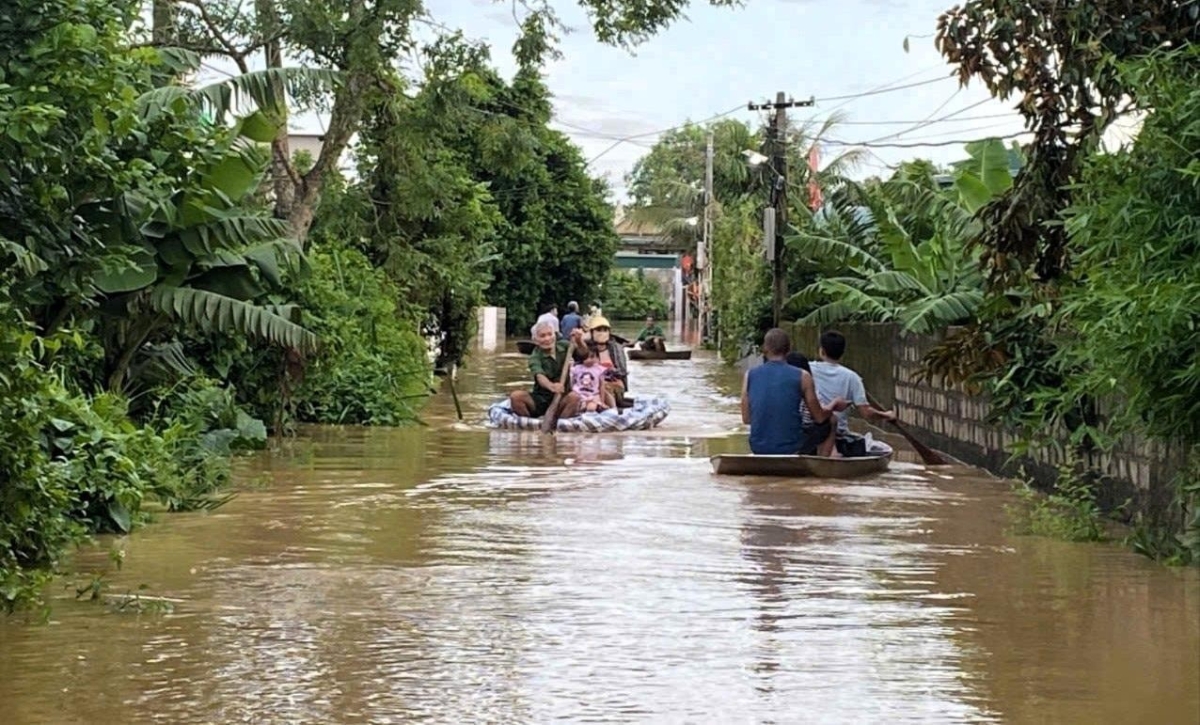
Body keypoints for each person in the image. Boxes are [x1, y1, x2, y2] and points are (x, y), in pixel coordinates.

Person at [741, 328, 845, 455]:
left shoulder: (749, 375)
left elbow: (746, 419)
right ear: (789, 349)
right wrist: (834, 405)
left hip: (758, 447)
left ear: (765, 348)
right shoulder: (803, 376)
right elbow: (819, 417)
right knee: (832, 420)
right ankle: (822, 465)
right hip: (791, 448)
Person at [808, 329, 897, 457]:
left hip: (810, 432)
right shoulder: (852, 377)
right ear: (842, 353)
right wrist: (886, 415)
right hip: (839, 435)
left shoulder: (807, 369)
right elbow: (866, 413)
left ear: (821, 351)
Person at [509, 322, 584, 419]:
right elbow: (540, 376)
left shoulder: (565, 346)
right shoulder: (535, 356)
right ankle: (530, 424)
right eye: (542, 336)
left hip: (562, 398)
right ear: (535, 340)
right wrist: (552, 386)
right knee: (516, 397)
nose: (547, 339)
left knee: (575, 397)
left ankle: (560, 423)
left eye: (550, 334)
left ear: (555, 335)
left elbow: (584, 355)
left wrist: (579, 341)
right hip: (540, 399)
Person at [583, 315, 630, 404]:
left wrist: (609, 372)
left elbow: (621, 372)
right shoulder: (587, 349)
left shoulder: (616, 348)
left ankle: (610, 408)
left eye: (605, 330)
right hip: (590, 384)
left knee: (605, 386)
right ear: (592, 332)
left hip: (613, 383)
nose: (602, 333)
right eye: (599, 330)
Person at [570, 342, 615, 413]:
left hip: (594, 395)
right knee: (579, 407)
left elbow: (601, 386)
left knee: (591, 407)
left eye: (592, 357)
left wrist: (602, 401)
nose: (589, 360)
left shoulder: (599, 370)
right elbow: (572, 382)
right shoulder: (577, 368)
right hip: (579, 394)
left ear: (597, 357)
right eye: (586, 357)